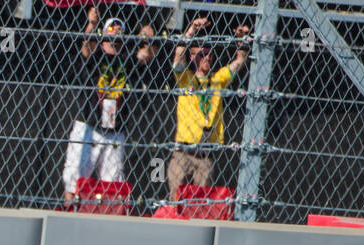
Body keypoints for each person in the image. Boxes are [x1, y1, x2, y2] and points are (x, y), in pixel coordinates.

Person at [59, 4, 160, 204]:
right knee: (74, 180)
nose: (115, 34)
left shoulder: (127, 59)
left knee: (113, 185)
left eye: (119, 31)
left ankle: (108, 218)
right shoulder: (95, 56)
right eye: (111, 30)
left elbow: (147, 55)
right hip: (89, 124)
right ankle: (69, 213)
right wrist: (92, 23)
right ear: (103, 34)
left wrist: (149, 37)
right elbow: (86, 46)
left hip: (115, 129)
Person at [166, 18, 251, 202]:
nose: (206, 57)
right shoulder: (186, 79)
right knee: (175, 199)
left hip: (205, 155)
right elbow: (178, 57)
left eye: (209, 54)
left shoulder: (218, 79)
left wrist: (242, 40)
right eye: (201, 54)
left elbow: (240, 61)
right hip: (183, 151)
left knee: (198, 204)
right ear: (192, 57)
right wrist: (191, 30)